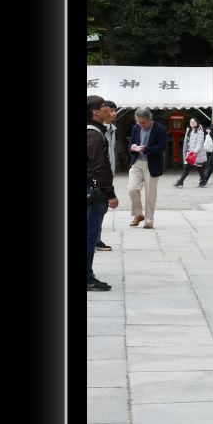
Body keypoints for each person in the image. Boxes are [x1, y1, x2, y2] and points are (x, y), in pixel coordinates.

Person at [86, 95, 120, 290]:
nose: (109, 109)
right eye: (104, 107)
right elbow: (99, 166)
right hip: (93, 189)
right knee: (90, 236)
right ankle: (87, 277)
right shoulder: (94, 134)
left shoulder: (96, 132)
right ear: (95, 111)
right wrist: (110, 193)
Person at [125, 108, 167, 229]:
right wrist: (132, 147)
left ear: (150, 119)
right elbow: (132, 143)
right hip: (137, 161)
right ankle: (138, 214)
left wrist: (146, 149)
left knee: (150, 193)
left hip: (152, 163)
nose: (140, 125)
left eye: (143, 122)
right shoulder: (135, 128)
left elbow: (162, 147)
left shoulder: (160, 129)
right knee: (132, 188)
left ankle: (149, 220)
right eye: (138, 122)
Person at [94, 99, 119, 251]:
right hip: (97, 176)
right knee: (96, 208)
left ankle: (96, 238)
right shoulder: (96, 130)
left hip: (107, 174)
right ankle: (95, 239)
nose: (113, 113)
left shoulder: (112, 128)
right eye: (110, 110)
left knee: (101, 209)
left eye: (114, 110)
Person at [173, 118, 207, 187]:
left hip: (197, 153)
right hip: (191, 153)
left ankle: (203, 181)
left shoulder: (200, 131)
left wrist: (195, 151)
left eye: (194, 121)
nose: (192, 123)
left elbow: (200, 142)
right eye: (191, 122)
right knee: (187, 167)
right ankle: (181, 181)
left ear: (197, 122)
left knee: (198, 168)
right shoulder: (191, 131)